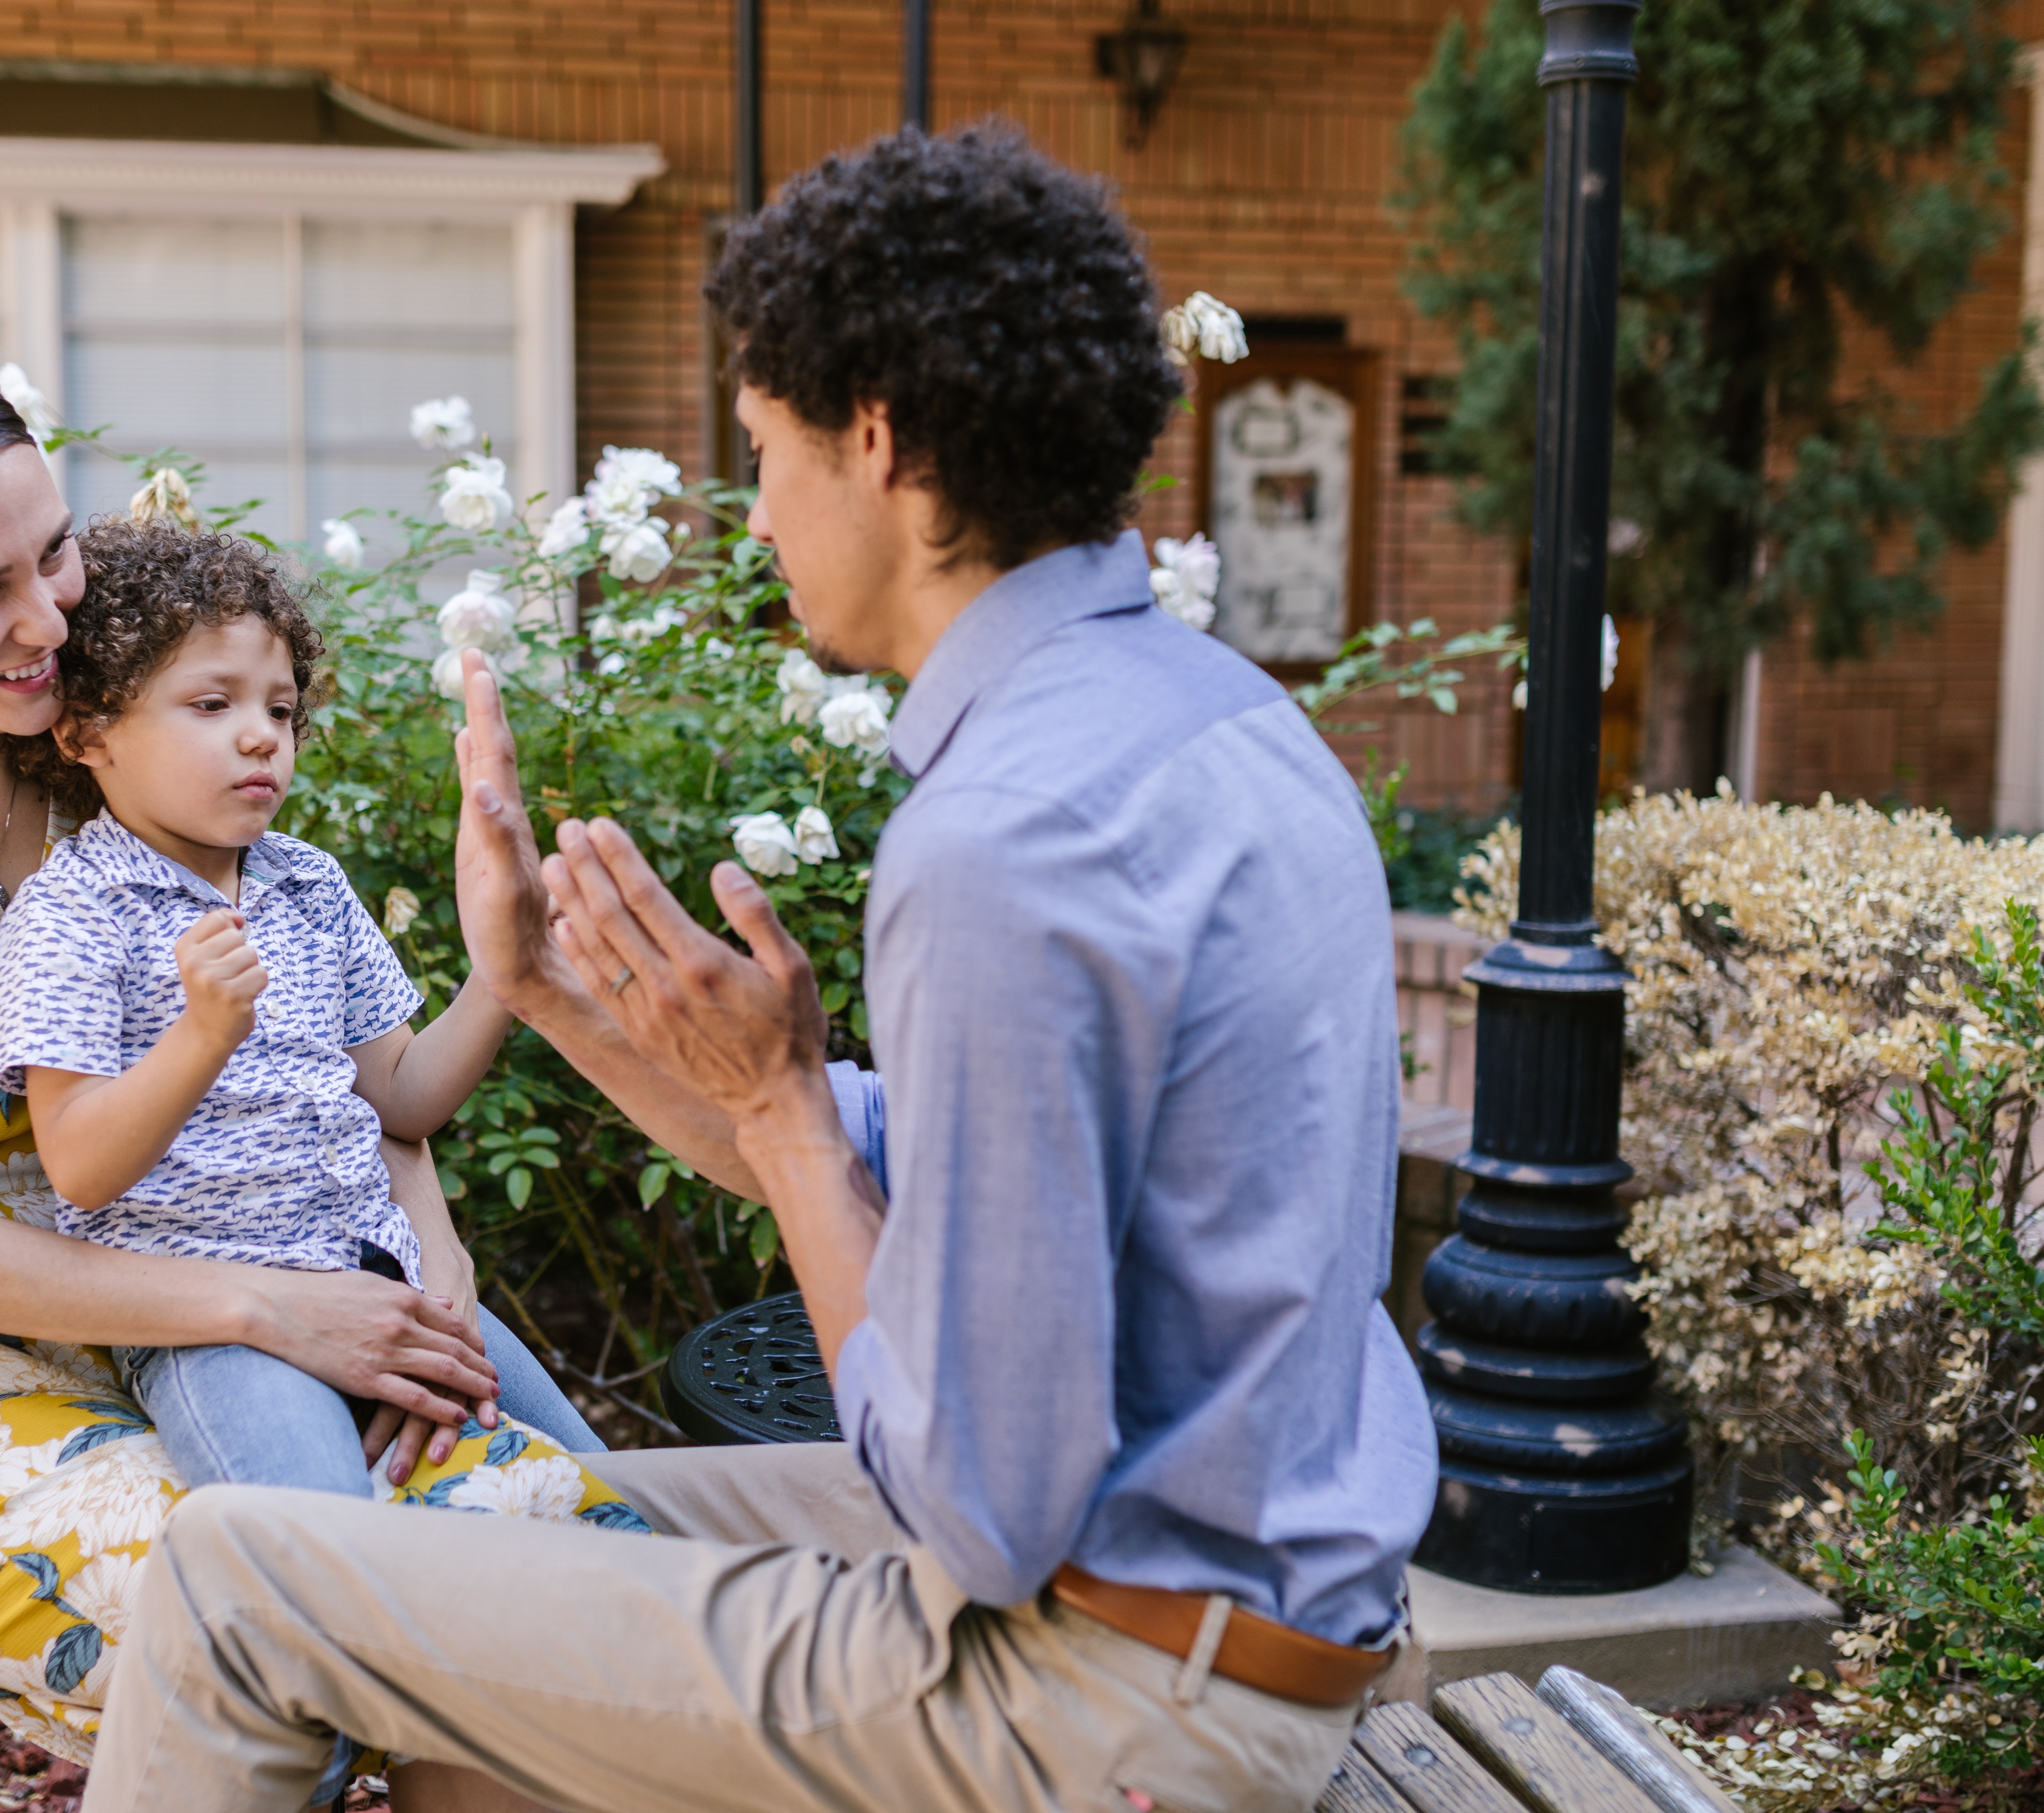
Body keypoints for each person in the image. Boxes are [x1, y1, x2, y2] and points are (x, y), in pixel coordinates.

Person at [81, 124, 1439, 1813]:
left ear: (877, 444)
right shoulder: (1231, 721)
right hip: (1240, 1604)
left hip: (1101, 1691)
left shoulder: (1010, 835)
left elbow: (980, 1506)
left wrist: (784, 1116)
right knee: (518, 1581)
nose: (757, 507)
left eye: (764, 451)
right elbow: (905, 1176)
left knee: (236, 1578)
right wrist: (548, 985)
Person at [0, 338, 549, 1773]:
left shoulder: (115, 747)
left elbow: (332, 1069)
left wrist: (429, 1261)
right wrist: (272, 1313)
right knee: (277, 1622)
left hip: (281, 1303)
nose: (44, 619)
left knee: (559, 1567)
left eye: (52, 553)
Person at [0, 518, 625, 1508]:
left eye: (280, 710)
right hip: (216, 1331)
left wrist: (506, 973)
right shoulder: (74, 909)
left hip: (388, 1286)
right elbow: (77, 1159)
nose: (261, 735)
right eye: (212, 702)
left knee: (620, 1494)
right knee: (321, 1542)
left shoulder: (307, 884)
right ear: (87, 731)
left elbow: (403, 1100)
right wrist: (201, 1037)